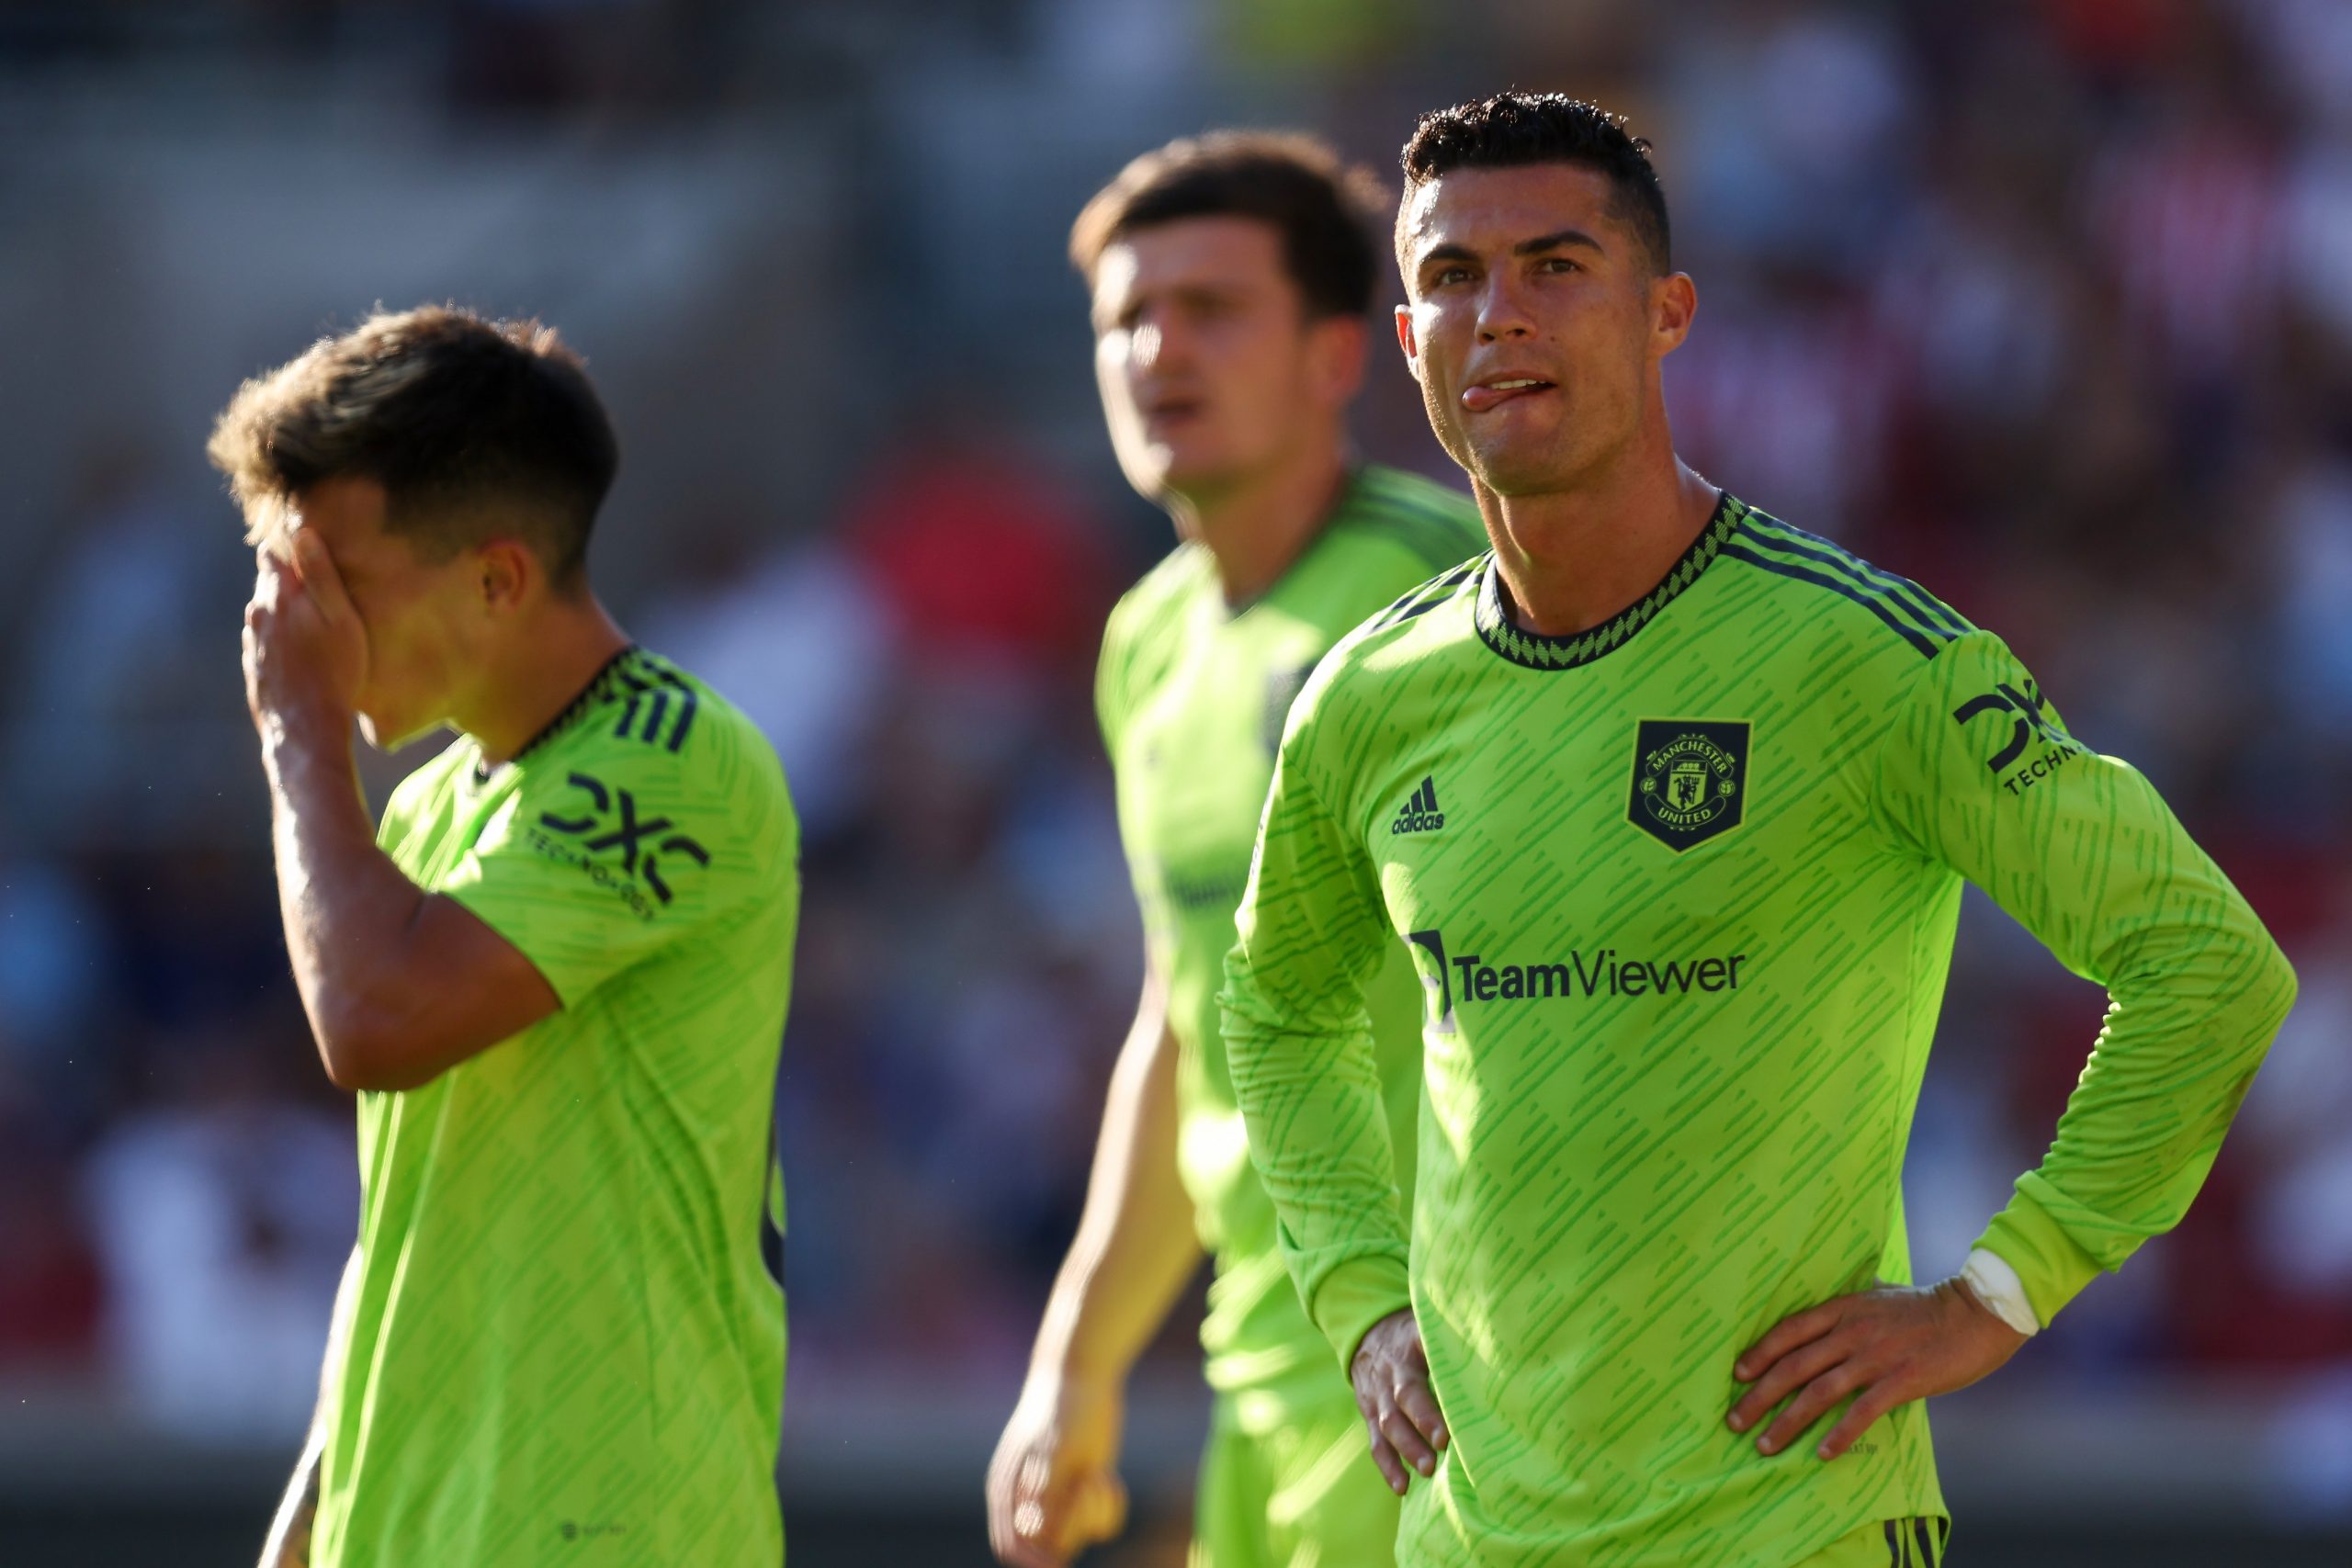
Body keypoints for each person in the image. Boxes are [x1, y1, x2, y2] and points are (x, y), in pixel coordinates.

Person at [1218, 93, 2298, 1567]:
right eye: (1453, 280)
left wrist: (1997, 1294)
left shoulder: (1852, 658)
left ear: (1667, 314)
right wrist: (1360, 1302)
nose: (1500, 317)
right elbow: (1277, 1008)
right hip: (1473, 1538)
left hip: (1791, 1527)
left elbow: (2207, 963)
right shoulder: (1370, 697)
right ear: (1407, 342)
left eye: (1555, 266)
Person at [213, 306, 797, 1567]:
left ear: (497, 579)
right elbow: (418, 1205)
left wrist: (296, 732)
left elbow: (373, 1024)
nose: (296, 632)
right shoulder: (432, 807)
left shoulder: (678, 757)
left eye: (338, 585)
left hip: (610, 1533)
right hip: (424, 1524)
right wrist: (321, 1495)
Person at [985, 132, 1485, 1568]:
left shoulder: (1448, 602)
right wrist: (1076, 1364)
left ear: (1340, 357)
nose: (1158, 351)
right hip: (1258, 1370)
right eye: (1127, 319)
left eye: (1212, 310)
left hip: (1456, 1379)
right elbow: (1185, 1017)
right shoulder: (1145, 648)